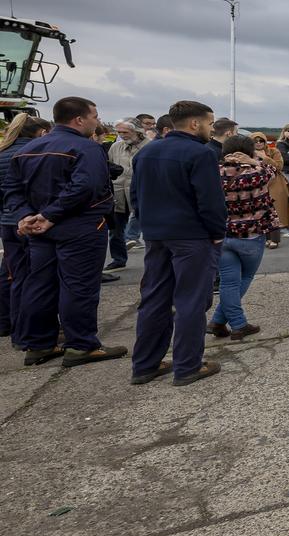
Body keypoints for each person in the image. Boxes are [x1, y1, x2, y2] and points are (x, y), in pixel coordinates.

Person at [9, 96, 127, 368]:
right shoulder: (86, 148)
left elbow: (12, 190)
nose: (97, 121)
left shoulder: (28, 148)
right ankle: (82, 345)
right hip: (79, 225)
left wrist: (26, 216)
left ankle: (39, 343)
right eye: (95, 116)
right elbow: (87, 187)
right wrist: (50, 215)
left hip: (39, 227)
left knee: (40, 284)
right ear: (79, 119)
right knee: (79, 286)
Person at [130, 99, 227, 385]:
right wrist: (217, 231)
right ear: (195, 123)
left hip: (156, 235)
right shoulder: (201, 153)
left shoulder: (147, 152)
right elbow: (210, 200)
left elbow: (136, 196)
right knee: (191, 301)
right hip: (192, 236)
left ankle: (145, 364)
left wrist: (149, 225)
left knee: (154, 299)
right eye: (210, 123)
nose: (211, 129)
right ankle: (188, 365)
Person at [208, 133, 279, 341]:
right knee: (245, 277)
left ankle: (218, 322)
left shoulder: (214, 172)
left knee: (228, 282)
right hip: (251, 233)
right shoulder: (258, 171)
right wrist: (255, 159)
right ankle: (237, 324)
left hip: (222, 232)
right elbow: (274, 171)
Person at [0, 115, 51, 346]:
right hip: (33, 221)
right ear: (41, 132)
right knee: (36, 279)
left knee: (13, 275)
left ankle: (9, 325)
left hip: (8, 221)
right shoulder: (37, 152)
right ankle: (29, 333)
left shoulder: (3, 152)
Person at [107, 118, 147, 265]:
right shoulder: (115, 147)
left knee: (149, 229)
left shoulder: (150, 146)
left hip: (142, 192)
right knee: (115, 230)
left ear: (137, 131)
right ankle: (118, 259)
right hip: (118, 193)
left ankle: (151, 261)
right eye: (119, 132)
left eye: (125, 132)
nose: (122, 135)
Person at [254, 132, 289, 247]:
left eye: (261, 141)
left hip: (275, 184)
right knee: (261, 213)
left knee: (275, 212)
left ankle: (275, 240)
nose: (258, 143)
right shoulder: (248, 153)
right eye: (256, 141)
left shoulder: (274, 151)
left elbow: (279, 166)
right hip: (257, 185)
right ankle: (266, 238)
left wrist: (265, 157)